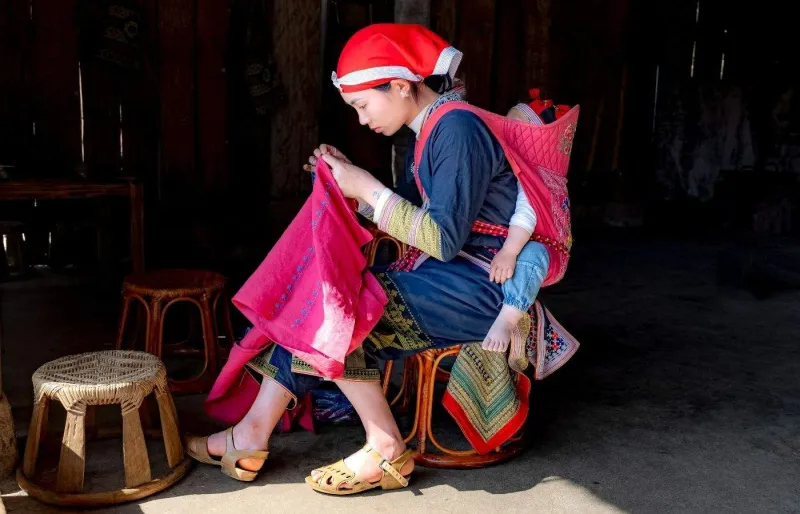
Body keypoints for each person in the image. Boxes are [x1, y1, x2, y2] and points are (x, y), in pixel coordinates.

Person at [186, 23, 579, 496]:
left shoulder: (458, 129)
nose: (360, 119)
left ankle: (381, 445)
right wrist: (353, 181)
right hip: (452, 280)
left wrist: (366, 188)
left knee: (337, 302)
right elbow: (410, 215)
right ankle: (253, 433)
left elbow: (442, 239)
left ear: (400, 85)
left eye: (362, 105)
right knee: (326, 292)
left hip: (485, 289)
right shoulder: (431, 131)